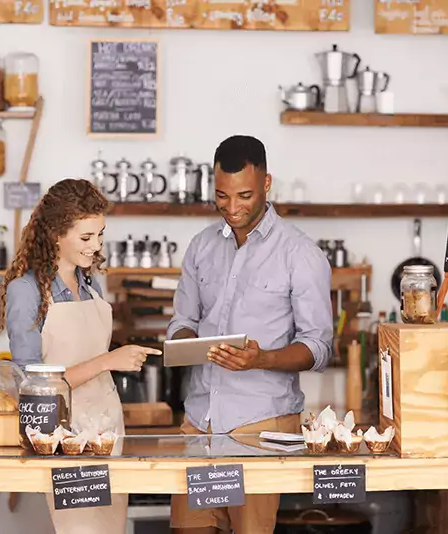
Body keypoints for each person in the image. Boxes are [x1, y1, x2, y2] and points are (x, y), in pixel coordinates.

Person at [167, 135, 334, 534]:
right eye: (221, 196)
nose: (232, 207)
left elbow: (319, 347)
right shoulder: (201, 246)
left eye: (244, 195)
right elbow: (181, 320)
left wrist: (262, 359)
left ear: (267, 183)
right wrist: (188, 342)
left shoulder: (300, 254)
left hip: (261, 428)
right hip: (199, 423)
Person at [1, 178, 161, 533]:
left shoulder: (91, 286)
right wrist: (109, 361)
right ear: (56, 234)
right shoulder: (26, 291)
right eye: (86, 238)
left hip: (107, 430)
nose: (97, 246)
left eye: (100, 235)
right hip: (65, 436)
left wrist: (116, 360)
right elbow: (32, 386)